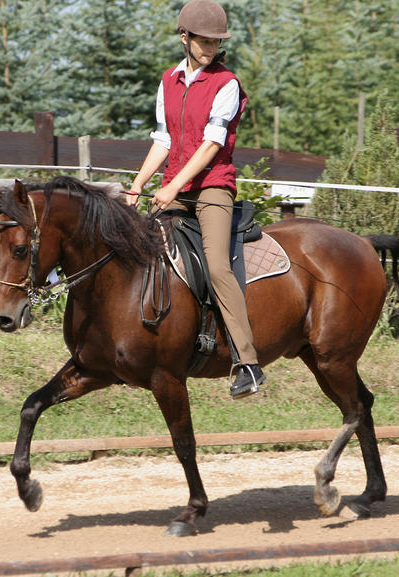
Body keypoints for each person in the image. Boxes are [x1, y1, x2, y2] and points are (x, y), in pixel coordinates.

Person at [127, 0, 265, 399]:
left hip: (213, 187)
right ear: (184, 37)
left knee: (218, 266)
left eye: (216, 42)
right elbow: (163, 140)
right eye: (203, 41)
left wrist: (172, 188)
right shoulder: (168, 80)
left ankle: (247, 363)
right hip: (174, 184)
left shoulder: (227, 84)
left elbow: (211, 146)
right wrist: (138, 185)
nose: (210, 47)